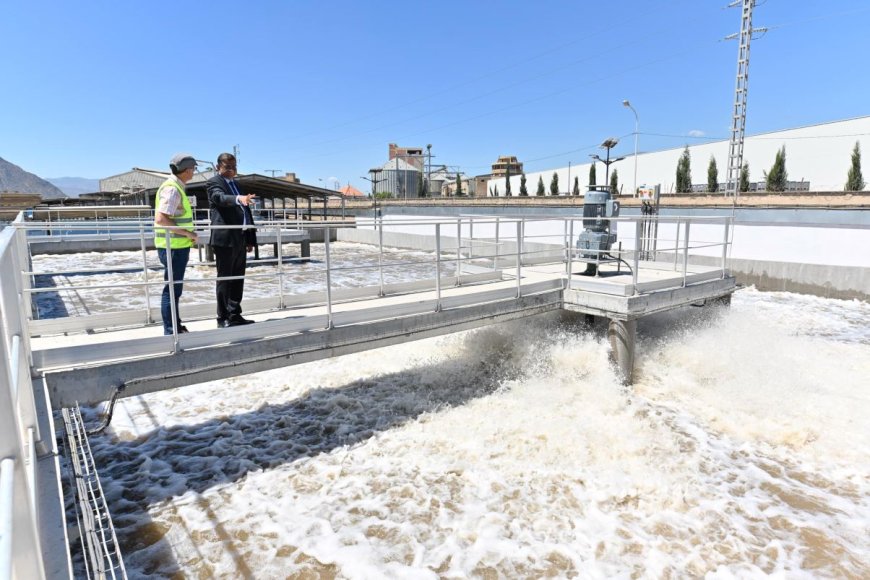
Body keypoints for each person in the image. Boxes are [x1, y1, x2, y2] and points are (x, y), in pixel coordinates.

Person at [207, 152, 257, 327]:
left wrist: (250, 238)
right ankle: (223, 317)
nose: (232, 170)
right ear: (218, 167)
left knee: (238, 278)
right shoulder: (214, 183)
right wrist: (239, 199)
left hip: (240, 238)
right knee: (225, 279)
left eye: (234, 166)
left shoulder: (237, 185)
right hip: (225, 239)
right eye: (228, 166)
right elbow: (220, 198)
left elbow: (246, 212)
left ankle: (235, 314)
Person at [154, 153, 199, 335]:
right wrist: (189, 233)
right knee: (172, 289)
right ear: (187, 170)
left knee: (174, 288)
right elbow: (162, 219)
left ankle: (176, 325)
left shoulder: (175, 186)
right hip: (173, 247)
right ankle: (171, 330)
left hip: (176, 246)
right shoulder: (172, 189)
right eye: (194, 169)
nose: (194, 172)